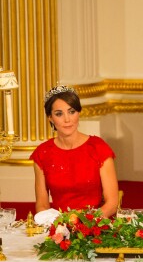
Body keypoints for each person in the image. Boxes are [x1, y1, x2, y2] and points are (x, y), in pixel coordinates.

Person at [30, 85, 119, 218]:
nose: (67, 119)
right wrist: (58, 226)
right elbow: (42, 205)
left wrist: (85, 223)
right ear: (50, 118)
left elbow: (112, 203)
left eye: (71, 112)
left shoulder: (98, 148)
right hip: (59, 228)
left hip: (96, 226)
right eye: (59, 114)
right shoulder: (42, 153)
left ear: (79, 113)